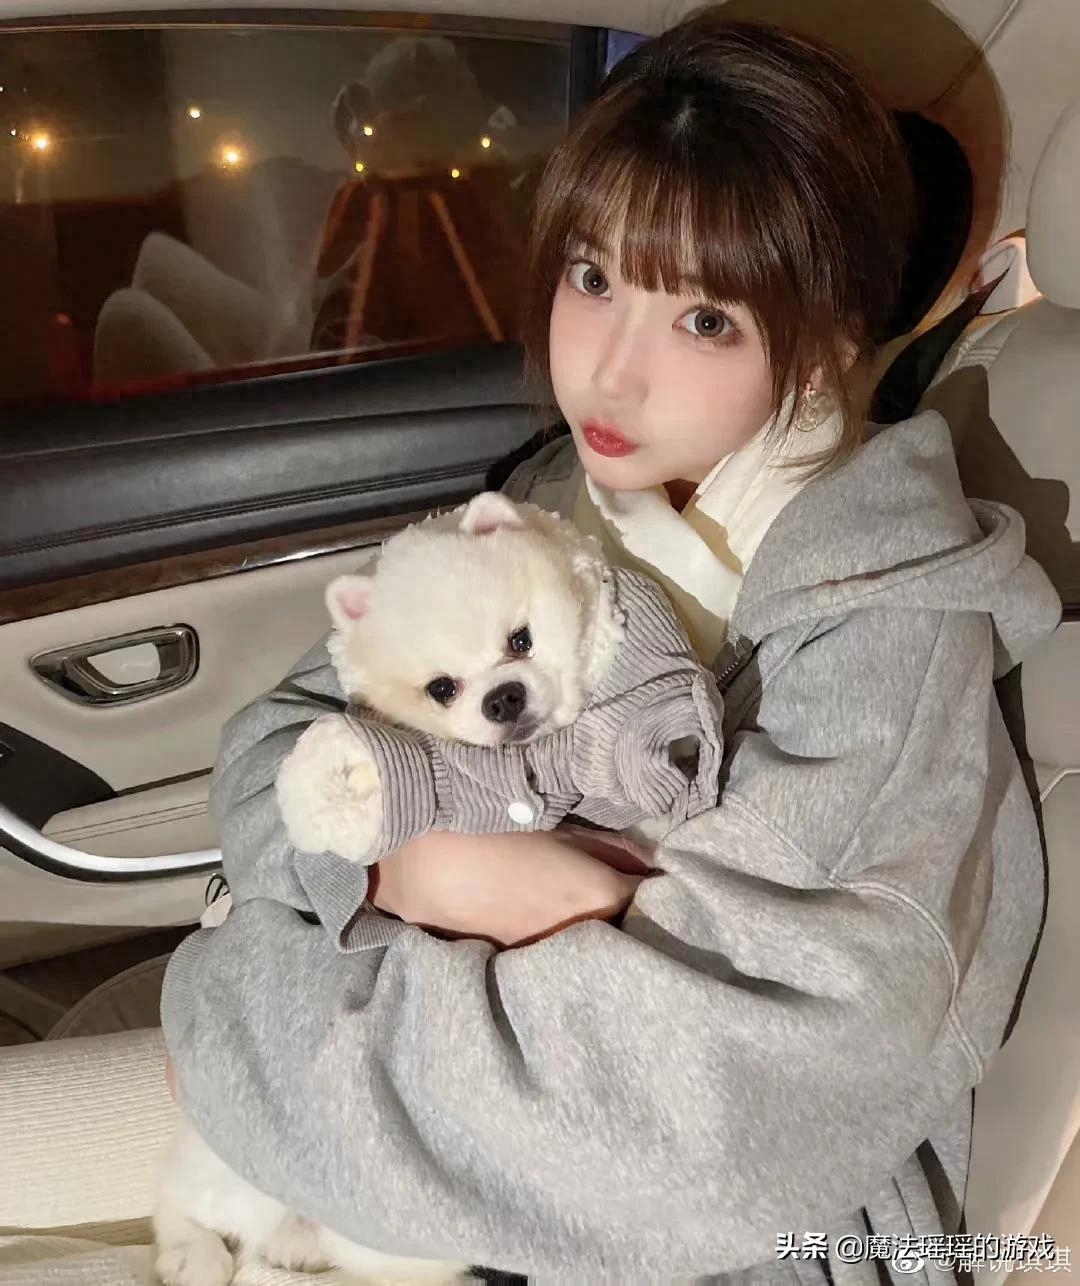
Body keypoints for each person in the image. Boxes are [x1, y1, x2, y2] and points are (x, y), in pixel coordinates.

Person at [161, 14, 1061, 1284]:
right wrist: (429, 867)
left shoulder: (881, 633)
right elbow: (281, 748)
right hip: (421, 1124)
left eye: (705, 320)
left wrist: (234, 1025)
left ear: (827, 341)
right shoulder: (552, 503)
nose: (610, 374)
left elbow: (689, 1125)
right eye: (593, 278)